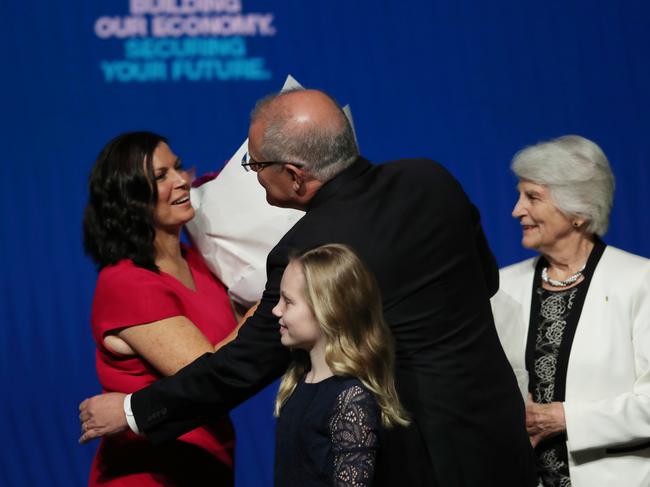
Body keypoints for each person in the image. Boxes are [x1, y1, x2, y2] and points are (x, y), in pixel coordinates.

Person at [79, 89, 537, 486]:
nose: (253, 175)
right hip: (497, 435)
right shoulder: (431, 178)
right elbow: (486, 279)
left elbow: (243, 365)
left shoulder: (308, 250)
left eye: (255, 165)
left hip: (409, 452)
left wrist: (135, 411)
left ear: (294, 175)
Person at [82, 131, 241, 486]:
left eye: (178, 168)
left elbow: (246, 341)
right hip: (147, 474)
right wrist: (275, 300)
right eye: (161, 176)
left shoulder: (199, 262)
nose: (182, 181)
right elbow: (209, 375)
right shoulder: (126, 283)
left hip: (209, 466)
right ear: (130, 200)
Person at [491, 135, 650, 487]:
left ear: (578, 210)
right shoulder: (502, 288)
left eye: (532, 197)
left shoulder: (640, 282)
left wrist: (566, 418)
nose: (517, 210)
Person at [273, 243, 409, 486]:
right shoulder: (298, 383)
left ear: (327, 309)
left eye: (288, 301)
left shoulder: (351, 397)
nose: (276, 310)